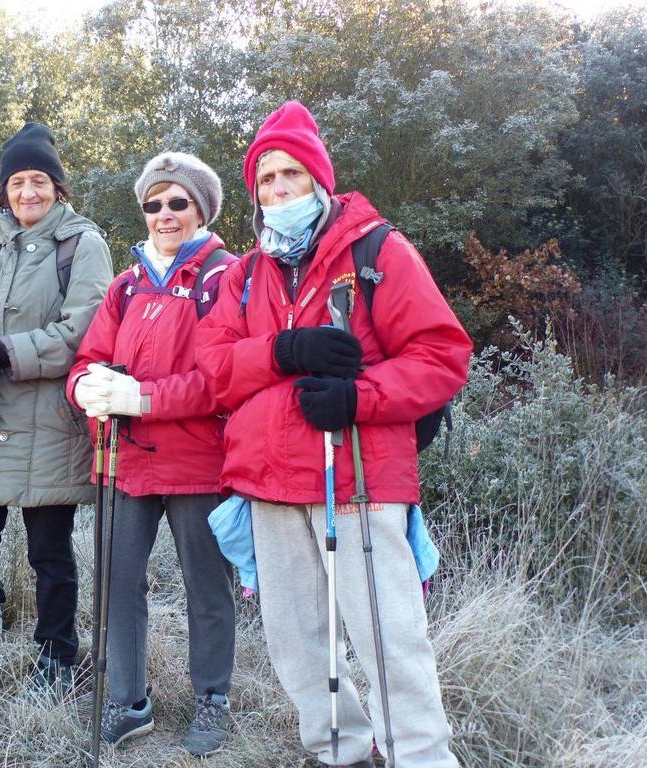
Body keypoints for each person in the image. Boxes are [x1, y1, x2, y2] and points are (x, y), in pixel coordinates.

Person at [196, 101, 472, 768]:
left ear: (318, 179)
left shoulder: (378, 251)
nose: (278, 190)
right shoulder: (241, 276)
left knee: (390, 642)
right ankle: (339, 752)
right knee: (297, 645)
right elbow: (212, 371)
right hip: (268, 484)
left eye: (290, 174)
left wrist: (359, 397)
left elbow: (441, 354)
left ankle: (421, 758)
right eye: (265, 180)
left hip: (360, 479)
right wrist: (284, 351)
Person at [0, 122, 113, 696]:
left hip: (48, 427)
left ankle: (57, 660)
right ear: (4, 190)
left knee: (49, 555)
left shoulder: (83, 244)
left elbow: (85, 326)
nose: (27, 192)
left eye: (39, 180)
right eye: (16, 182)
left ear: (58, 187)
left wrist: (4, 353)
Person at [67, 151, 238, 756]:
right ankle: (128, 700)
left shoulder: (226, 278)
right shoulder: (126, 283)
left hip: (198, 461)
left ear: (202, 209)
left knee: (207, 587)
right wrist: (83, 384)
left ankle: (212, 698)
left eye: (178, 202)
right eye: (153, 203)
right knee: (117, 582)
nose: (164, 214)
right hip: (123, 461)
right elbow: (89, 358)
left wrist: (141, 398)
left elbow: (223, 379)